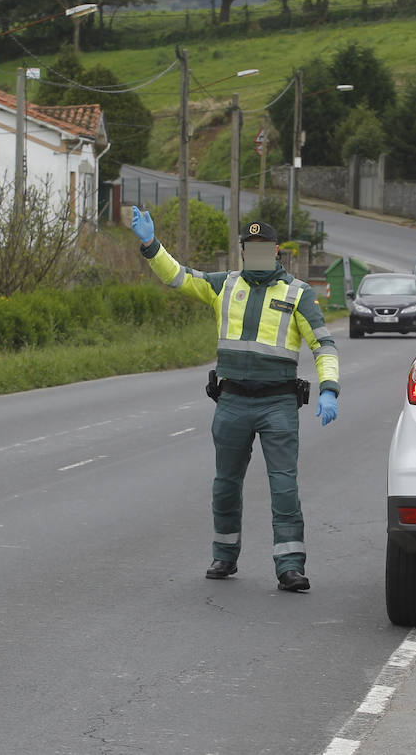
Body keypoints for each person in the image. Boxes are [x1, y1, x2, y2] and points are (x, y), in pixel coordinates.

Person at [133, 207, 339, 592]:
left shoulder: (298, 294)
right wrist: (150, 244)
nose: (257, 252)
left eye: (264, 246)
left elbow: (323, 344)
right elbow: (178, 276)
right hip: (232, 403)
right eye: (250, 246)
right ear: (243, 251)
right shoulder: (223, 286)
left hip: (278, 404)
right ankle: (224, 555)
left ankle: (290, 566)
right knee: (225, 484)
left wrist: (329, 388)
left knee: (283, 486)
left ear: (276, 251)